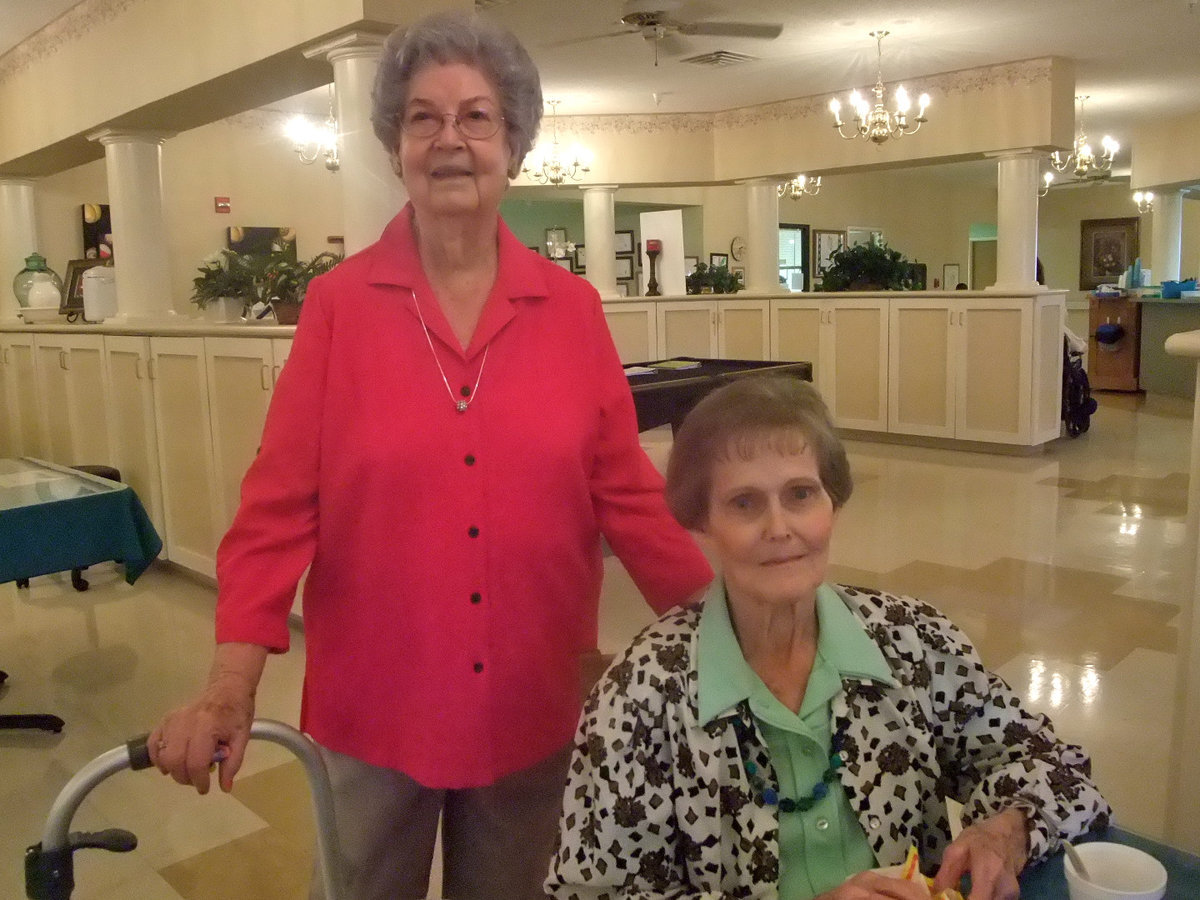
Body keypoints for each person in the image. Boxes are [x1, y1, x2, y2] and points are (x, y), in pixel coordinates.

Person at [148, 11, 712, 899]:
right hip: (373, 710)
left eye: (477, 116)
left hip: (534, 701)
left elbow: (627, 496)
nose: (450, 139)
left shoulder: (570, 311)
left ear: (514, 143)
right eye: (424, 117)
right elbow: (278, 507)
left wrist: (730, 627)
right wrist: (229, 683)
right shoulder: (338, 307)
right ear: (396, 144)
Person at [547, 377, 1110, 900]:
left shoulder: (913, 641)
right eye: (744, 503)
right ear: (700, 521)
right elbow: (591, 893)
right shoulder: (639, 695)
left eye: (800, 494)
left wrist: (1006, 831)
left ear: (832, 504)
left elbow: (1056, 767)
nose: (779, 527)